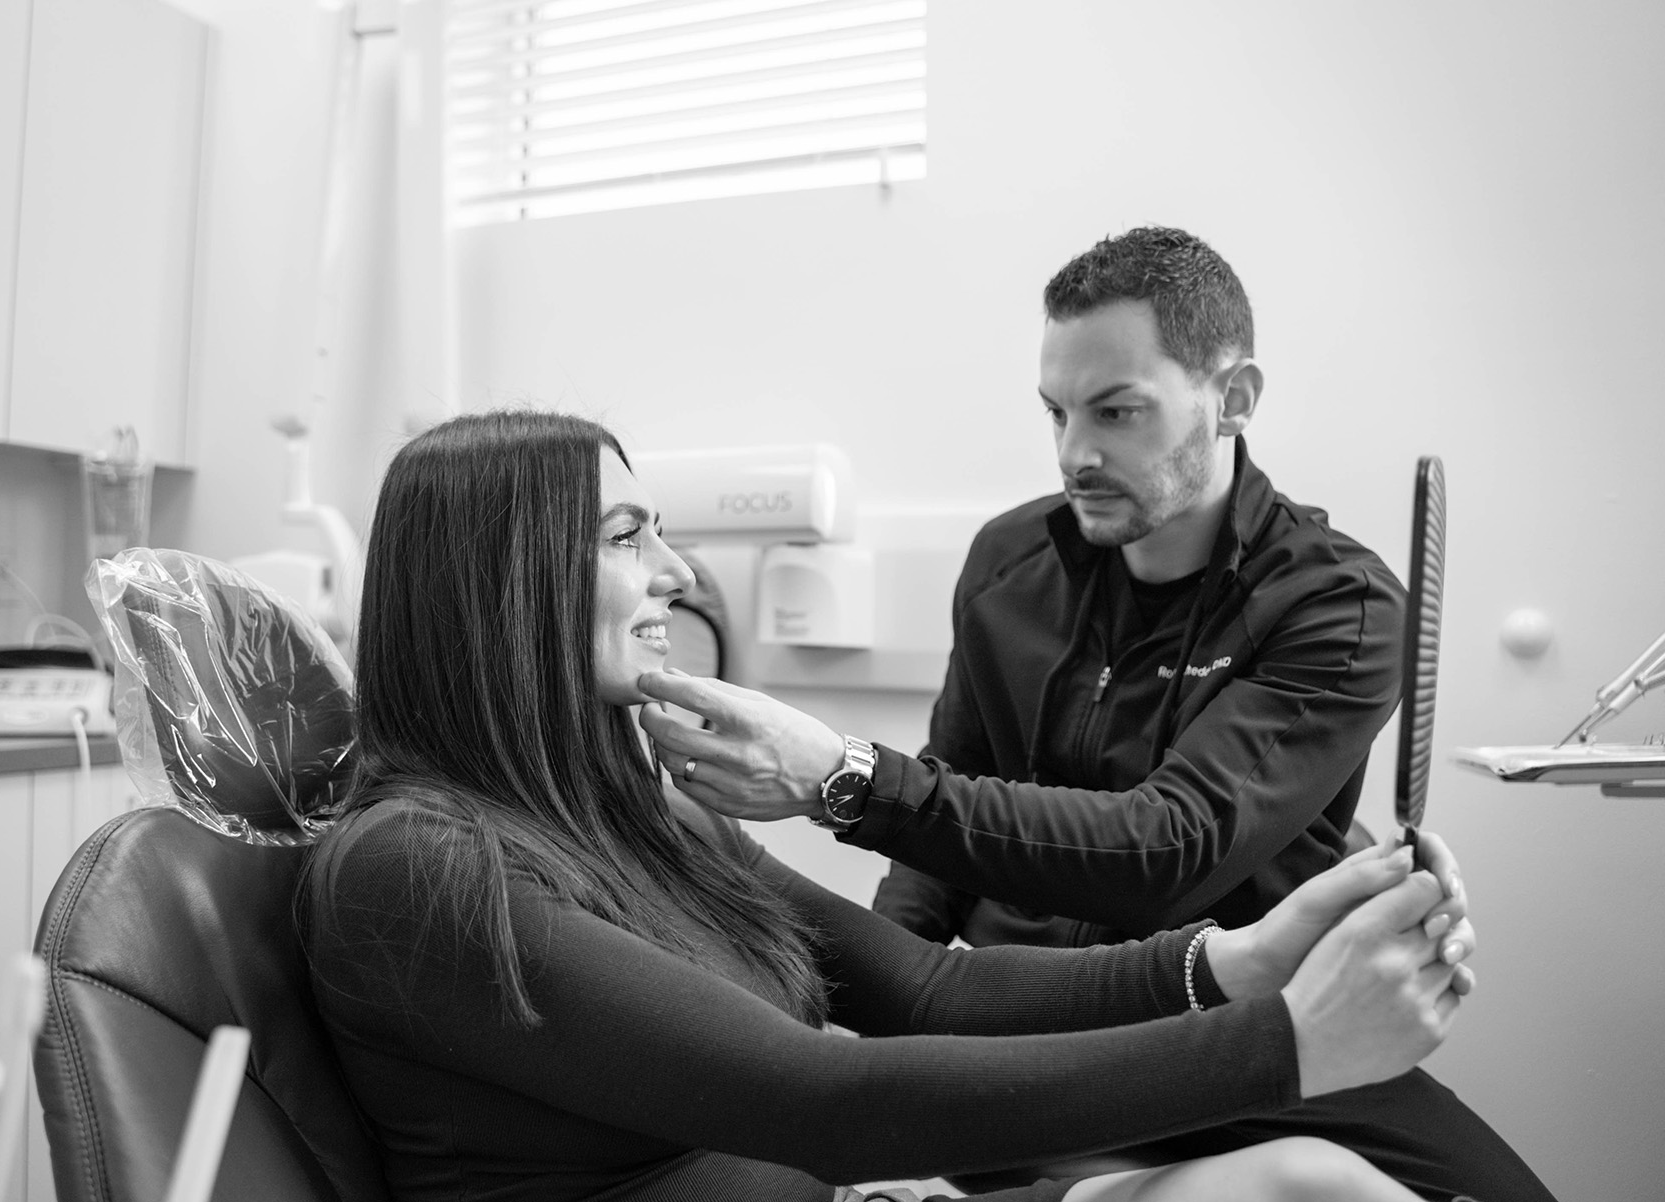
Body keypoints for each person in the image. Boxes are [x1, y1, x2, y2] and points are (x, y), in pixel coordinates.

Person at [298, 410, 1477, 1202]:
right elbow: (831, 1101)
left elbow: (927, 988)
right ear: (499, 580)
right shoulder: (414, 869)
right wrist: (1283, 1046)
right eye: (625, 536)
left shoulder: (641, 813)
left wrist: (1245, 963)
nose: (676, 572)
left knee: (1309, 1182)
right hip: (848, 1173)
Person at [637, 228, 1555, 1202]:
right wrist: (882, 1019)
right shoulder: (1008, 563)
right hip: (1025, 1025)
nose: (1078, 452)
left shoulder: (1337, 605)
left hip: (1243, 1019)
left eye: (1117, 412)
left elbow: (1169, 850)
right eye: (1059, 413)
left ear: (1234, 397)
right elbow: (944, 811)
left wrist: (848, 775)